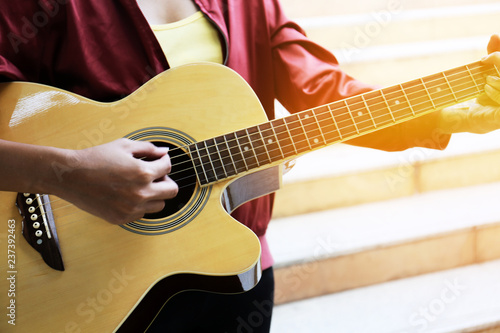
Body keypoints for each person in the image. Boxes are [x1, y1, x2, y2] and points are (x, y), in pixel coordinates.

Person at [1, 0, 500, 332]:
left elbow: (322, 90)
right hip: (78, 276)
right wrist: (67, 172)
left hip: (231, 272)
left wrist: (449, 111)